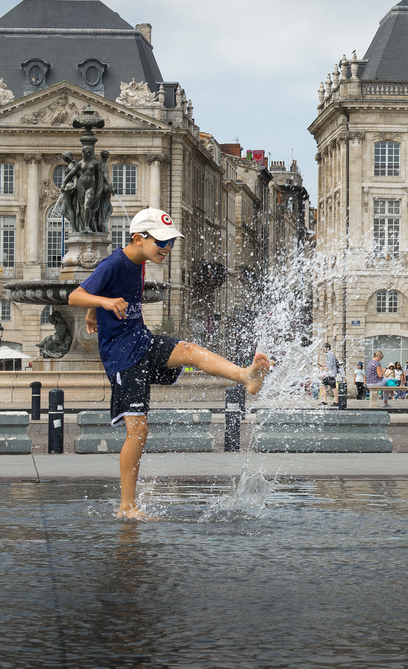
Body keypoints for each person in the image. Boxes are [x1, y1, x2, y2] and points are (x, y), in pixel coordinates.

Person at [67, 207, 271, 519]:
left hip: (142, 342)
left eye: (171, 242)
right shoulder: (113, 263)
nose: (167, 248)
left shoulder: (139, 263)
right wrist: (102, 304)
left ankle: (245, 376)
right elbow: (75, 296)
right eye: (162, 242)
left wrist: (94, 313)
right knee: (138, 431)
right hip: (123, 358)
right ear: (138, 238)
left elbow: (97, 294)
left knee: (188, 349)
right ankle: (126, 507)